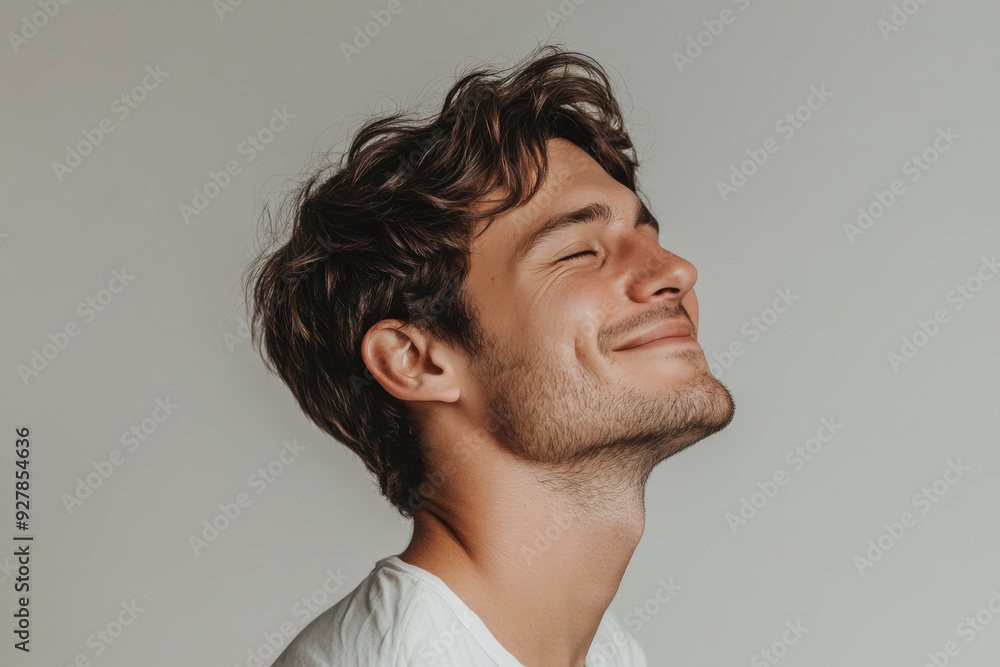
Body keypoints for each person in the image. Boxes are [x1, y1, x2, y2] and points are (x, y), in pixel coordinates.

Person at [244, 43, 736, 667]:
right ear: (416, 361)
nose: (677, 270)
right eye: (579, 252)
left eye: (648, 234)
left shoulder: (611, 653)